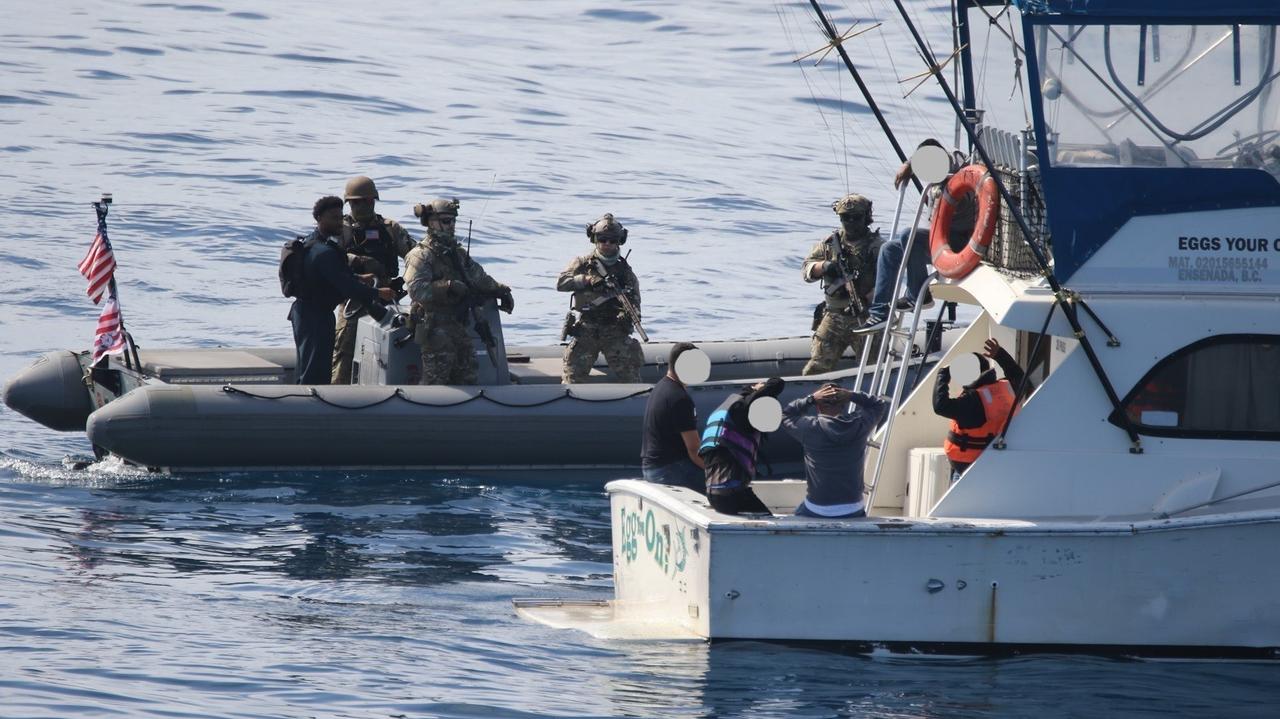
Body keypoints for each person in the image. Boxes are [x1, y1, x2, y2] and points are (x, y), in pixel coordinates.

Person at [857, 139, 976, 334]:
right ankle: (880, 313)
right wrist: (909, 163)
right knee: (889, 250)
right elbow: (929, 149)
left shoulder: (961, 179)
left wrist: (942, 191)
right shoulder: (945, 155)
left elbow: (962, 201)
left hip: (959, 243)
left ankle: (917, 294)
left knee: (909, 236)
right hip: (939, 238)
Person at [402, 198, 514, 385]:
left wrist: (500, 290)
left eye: (453, 221)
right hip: (435, 328)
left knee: (467, 376)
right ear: (430, 222)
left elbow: (478, 277)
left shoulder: (456, 253)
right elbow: (416, 290)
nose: (451, 225)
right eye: (446, 221)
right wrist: (447, 286)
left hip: (458, 326)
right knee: (436, 380)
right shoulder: (421, 255)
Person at [288, 196, 395, 385]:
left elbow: (328, 278)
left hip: (307, 312)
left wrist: (359, 278)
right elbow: (348, 288)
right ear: (320, 218)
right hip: (315, 316)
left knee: (308, 367)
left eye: (340, 217)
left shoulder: (316, 243)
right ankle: (312, 410)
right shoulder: (324, 252)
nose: (339, 222)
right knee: (316, 373)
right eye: (333, 218)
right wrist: (378, 293)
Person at [331, 175, 418, 384]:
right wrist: (360, 261)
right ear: (349, 203)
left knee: (387, 351)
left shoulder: (390, 229)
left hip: (385, 301)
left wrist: (411, 282)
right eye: (357, 202)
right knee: (344, 351)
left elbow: (414, 256)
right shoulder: (340, 229)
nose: (362, 206)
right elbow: (329, 257)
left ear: (374, 200)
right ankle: (337, 392)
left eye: (367, 201)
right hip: (352, 301)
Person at [780, 383, 890, 518]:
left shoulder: (809, 428)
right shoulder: (859, 425)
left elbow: (785, 414)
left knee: (797, 516)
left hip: (817, 508)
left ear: (817, 406)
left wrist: (810, 399)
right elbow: (878, 404)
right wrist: (851, 395)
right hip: (853, 508)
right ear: (844, 405)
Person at [557, 213, 644, 383]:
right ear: (595, 239)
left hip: (614, 330)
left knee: (632, 379)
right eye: (603, 239)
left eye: (612, 240)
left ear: (620, 241)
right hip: (587, 329)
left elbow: (635, 302)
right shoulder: (583, 263)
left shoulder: (625, 272)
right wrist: (586, 280)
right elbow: (561, 283)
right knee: (572, 379)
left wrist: (628, 315)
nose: (607, 244)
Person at [801, 194, 881, 375]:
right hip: (834, 315)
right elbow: (806, 270)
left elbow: (889, 281)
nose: (850, 222)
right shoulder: (829, 244)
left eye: (856, 218)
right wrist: (824, 267)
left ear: (866, 217)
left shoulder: (877, 247)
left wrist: (869, 297)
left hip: (865, 316)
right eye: (845, 218)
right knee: (815, 369)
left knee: (872, 369)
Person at [933, 338, 1026, 482]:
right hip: (993, 461)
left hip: (968, 470)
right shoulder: (1007, 388)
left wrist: (942, 375)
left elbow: (941, 406)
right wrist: (1000, 354)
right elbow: (1020, 378)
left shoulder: (972, 401)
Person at [700, 377, 787, 515]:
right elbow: (777, 383)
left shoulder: (730, 408)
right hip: (731, 495)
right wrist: (763, 388)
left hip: (716, 493)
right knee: (769, 521)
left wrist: (755, 389)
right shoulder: (743, 413)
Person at [640, 342, 705, 492]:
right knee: (724, 486)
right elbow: (694, 451)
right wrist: (716, 472)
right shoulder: (680, 399)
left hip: (652, 467)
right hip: (668, 470)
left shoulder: (660, 387)